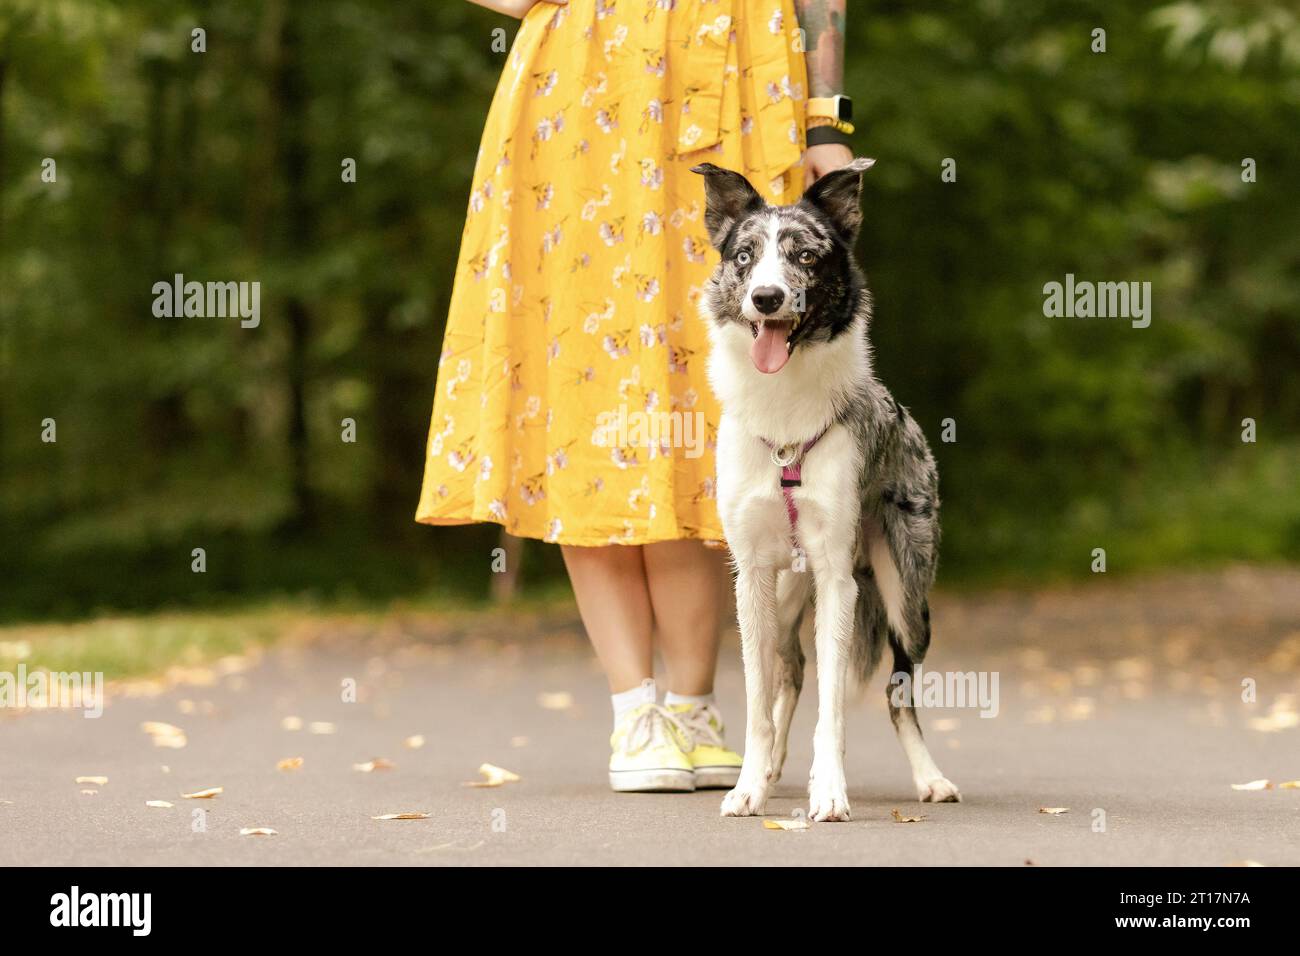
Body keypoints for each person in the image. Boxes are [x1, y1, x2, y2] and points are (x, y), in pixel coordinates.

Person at [418, 0, 856, 792]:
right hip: (584, 95)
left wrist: (826, 121)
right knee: (590, 391)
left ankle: (694, 707)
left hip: (743, 87)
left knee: (711, 398)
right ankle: (635, 709)